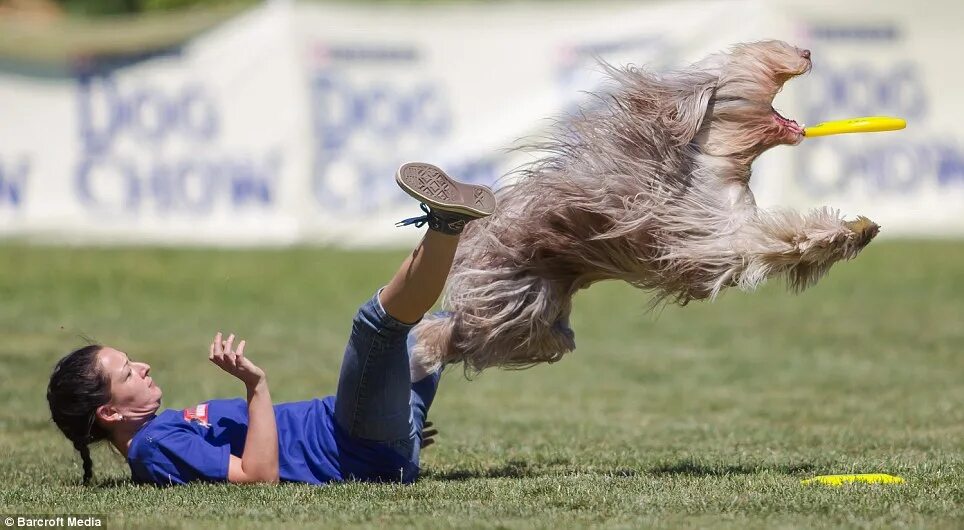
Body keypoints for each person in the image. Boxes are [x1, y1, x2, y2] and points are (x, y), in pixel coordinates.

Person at [46, 163, 497, 486]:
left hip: (368, 430)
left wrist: (396, 422)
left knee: (445, 328)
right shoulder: (152, 447)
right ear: (109, 412)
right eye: (127, 373)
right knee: (376, 326)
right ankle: (445, 225)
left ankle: (544, 286)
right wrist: (255, 385)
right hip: (355, 444)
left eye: (131, 361)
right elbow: (258, 477)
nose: (142, 367)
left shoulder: (163, 430)